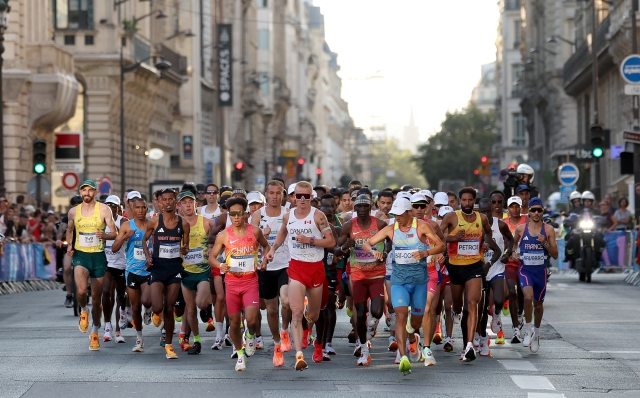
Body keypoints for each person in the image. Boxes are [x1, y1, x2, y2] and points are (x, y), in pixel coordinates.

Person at [362, 197, 445, 375]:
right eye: (394, 214)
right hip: (399, 280)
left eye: (400, 214)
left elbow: (441, 246)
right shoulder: (391, 229)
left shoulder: (421, 226)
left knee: (415, 320)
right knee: (400, 314)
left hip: (419, 281)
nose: (397, 217)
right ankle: (403, 356)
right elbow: (367, 243)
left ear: (409, 212)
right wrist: (375, 251)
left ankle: (411, 332)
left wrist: (426, 252)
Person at [266, 181, 336, 371]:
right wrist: (272, 249)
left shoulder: (318, 216)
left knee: (313, 315)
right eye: (299, 196)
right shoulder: (288, 217)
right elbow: (282, 234)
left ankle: (308, 314)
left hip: (315, 268)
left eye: (306, 196)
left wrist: (310, 240)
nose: (302, 200)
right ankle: (299, 356)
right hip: (296, 267)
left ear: (312, 197)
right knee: (294, 312)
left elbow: (331, 241)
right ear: (293, 197)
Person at [438, 187, 501, 362]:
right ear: (459, 201)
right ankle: (454, 312)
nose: (467, 203)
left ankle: (469, 346)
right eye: (464, 200)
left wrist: (486, 243)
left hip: (474, 266)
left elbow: (488, 232)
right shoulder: (451, 217)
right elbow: (436, 235)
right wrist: (452, 238)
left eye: (470, 200)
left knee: (472, 304)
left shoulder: (481, 218)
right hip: (455, 267)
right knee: (458, 306)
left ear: (474, 201)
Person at [209, 197, 270, 371]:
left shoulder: (255, 232)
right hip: (232, 284)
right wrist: (220, 265)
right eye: (232, 214)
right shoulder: (224, 235)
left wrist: (264, 261)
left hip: (250, 281)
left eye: (239, 214)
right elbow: (212, 257)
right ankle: (240, 353)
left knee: (251, 320)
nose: (236, 217)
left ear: (246, 214)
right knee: (234, 324)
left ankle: (250, 335)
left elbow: (266, 247)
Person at [65, 180, 118, 351]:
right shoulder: (73, 211)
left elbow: (114, 232)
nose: (86, 193)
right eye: (84, 190)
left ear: (95, 192)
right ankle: (82, 309)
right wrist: (69, 245)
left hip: (98, 256)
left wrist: (104, 235)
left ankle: (95, 332)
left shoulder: (104, 209)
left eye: (90, 190)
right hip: (81, 255)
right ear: (80, 192)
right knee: (80, 291)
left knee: (97, 298)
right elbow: (70, 229)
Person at [337, 195, 389, 366]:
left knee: (377, 311)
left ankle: (371, 328)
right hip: (358, 275)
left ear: (370, 207)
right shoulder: (348, 226)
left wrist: (385, 253)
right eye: (359, 206)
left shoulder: (379, 224)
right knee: (359, 313)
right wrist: (346, 246)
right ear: (355, 207)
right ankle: (363, 348)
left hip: (376, 274)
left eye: (365, 206)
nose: (362, 209)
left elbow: (389, 241)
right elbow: (337, 250)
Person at [141, 188, 190, 359]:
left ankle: (169, 345)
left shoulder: (183, 223)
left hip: (174, 268)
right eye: (165, 199)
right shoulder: (154, 222)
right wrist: (148, 257)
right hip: (158, 267)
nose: (168, 202)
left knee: (170, 308)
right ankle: (154, 312)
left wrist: (184, 249)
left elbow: (186, 247)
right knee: (158, 307)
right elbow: (144, 240)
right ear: (160, 202)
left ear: (175, 201)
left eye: (171, 199)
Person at [250, 180, 292, 367]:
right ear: (266, 195)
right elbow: (250, 243)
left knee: (287, 300)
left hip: (286, 264)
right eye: (272, 193)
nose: (275, 196)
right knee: (272, 310)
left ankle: (285, 331)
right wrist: (263, 236)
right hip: (265, 267)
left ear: (283, 195)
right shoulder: (258, 215)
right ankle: (276, 343)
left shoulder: (288, 214)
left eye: (278, 193)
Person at [511, 197, 558, 352]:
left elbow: (555, 254)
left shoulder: (548, 230)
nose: (536, 213)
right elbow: (514, 243)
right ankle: (528, 329)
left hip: (541, 271)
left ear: (543, 212)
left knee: (538, 304)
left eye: (539, 210)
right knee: (528, 297)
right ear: (529, 212)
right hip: (525, 270)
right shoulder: (521, 229)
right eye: (533, 210)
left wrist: (544, 243)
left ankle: (536, 333)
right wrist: (514, 253)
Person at [112, 196, 153, 352]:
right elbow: (115, 248)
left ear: (147, 209)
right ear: (132, 209)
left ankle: (148, 310)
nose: (141, 210)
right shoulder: (127, 226)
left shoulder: (152, 225)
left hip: (148, 271)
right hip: (132, 271)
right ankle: (139, 338)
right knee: (135, 307)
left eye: (143, 207)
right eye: (137, 208)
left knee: (147, 301)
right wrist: (124, 237)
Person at [178, 190, 214, 355]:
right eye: (184, 202)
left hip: (203, 270)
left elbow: (216, 240)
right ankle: (197, 341)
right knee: (190, 310)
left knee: (200, 303)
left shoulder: (206, 222)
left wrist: (211, 250)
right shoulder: (176, 225)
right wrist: (180, 251)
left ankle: (207, 307)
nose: (188, 205)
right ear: (180, 206)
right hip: (186, 271)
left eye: (190, 202)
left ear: (196, 204)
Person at [476, 199, 513, 354]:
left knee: (499, 299)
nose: (485, 214)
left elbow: (510, 239)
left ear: (492, 210)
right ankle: (483, 339)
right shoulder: (475, 226)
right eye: (482, 212)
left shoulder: (500, 224)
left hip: (496, 267)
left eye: (487, 211)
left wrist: (508, 252)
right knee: (482, 308)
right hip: (480, 270)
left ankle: (497, 315)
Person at [102, 195, 128, 343]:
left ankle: (118, 328)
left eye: (113, 205)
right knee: (106, 292)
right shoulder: (101, 221)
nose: (110, 207)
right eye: (108, 205)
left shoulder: (123, 222)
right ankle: (107, 327)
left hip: (121, 263)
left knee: (121, 295)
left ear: (119, 208)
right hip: (106, 262)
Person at [503, 196, 527, 343]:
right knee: (511, 291)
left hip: (525, 263)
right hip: (510, 264)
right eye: (512, 206)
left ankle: (519, 313)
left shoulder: (527, 221)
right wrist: (509, 252)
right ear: (508, 209)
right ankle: (515, 329)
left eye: (517, 206)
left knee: (522, 293)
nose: (515, 209)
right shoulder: (504, 223)